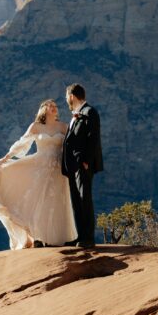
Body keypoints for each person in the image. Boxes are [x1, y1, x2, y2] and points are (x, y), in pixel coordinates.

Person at [0, 99, 77, 249]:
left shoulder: (63, 126)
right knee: (40, 202)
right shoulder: (36, 126)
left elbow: (74, 145)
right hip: (39, 168)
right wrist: (7, 158)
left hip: (58, 169)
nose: (54, 108)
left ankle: (58, 238)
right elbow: (22, 144)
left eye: (55, 106)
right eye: (50, 106)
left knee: (58, 202)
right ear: (43, 109)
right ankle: (38, 237)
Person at [61, 83, 103, 248]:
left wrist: (86, 161)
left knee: (85, 199)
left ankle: (88, 238)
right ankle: (80, 236)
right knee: (76, 201)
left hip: (83, 165)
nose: (67, 100)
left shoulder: (90, 112)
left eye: (67, 98)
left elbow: (93, 138)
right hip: (73, 166)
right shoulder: (76, 115)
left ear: (72, 96)